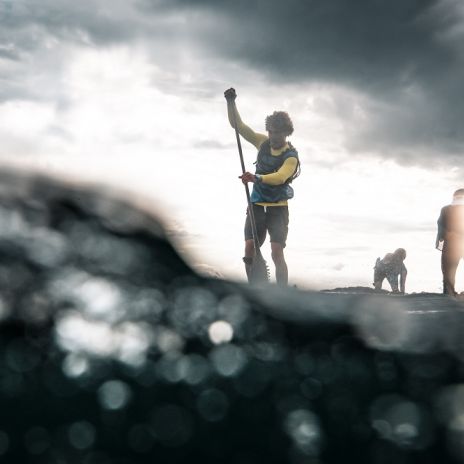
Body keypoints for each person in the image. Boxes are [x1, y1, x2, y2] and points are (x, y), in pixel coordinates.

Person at [224, 88, 300, 285]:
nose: (273, 136)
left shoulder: (291, 157)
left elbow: (280, 177)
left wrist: (257, 178)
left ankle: (281, 292)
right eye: (271, 132)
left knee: (276, 253)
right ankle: (253, 289)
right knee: (249, 247)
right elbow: (238, 126)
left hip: (278, 208)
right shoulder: (262, 142)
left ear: (286, 133)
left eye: (278, 133)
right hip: (257, 204)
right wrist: (230, 102)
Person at [436, 188, 464, 296]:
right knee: (448, 271)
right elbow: (441, 225)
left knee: (448, 270)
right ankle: (448, 291)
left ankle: (449, 291)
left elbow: (441, 225)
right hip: (451, 245)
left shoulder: (446, 209)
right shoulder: (446, 209)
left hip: (454, 243)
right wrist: (445, 236)